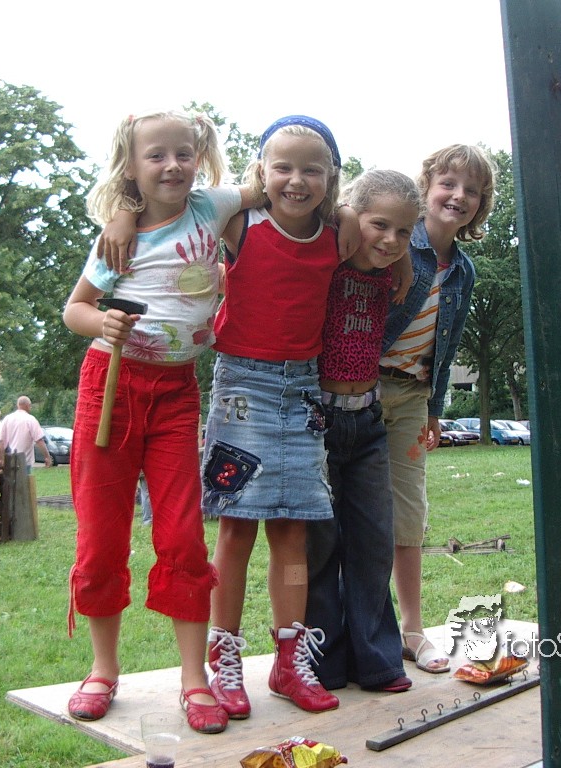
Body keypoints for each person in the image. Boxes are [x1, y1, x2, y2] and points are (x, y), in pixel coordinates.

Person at [62, 109, 263, 736]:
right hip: (112, 387)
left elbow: (265, 186)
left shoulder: (213, 205)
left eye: (184, 153)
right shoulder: (117, 240)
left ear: (198, 157)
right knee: (101, 537)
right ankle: (102, 670)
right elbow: (75, 309)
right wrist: (104, 321)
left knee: (182, 537)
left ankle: (194, 678)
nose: (172, 165)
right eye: (156, 155)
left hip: (177, 392)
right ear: (132, 166)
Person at [202, 115, 345, 719]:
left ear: (331, 177)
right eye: (282, 167)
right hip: (241, 385)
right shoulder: (241, 223)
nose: (296, 180)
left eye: (312, 169)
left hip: (304, 390)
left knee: (293, 530)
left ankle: (289, 661)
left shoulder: (340, 233)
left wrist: (404, 270)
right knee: (236, 527)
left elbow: (391, 236)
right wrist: (124, 218)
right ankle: (224, 657)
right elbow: (183, 207)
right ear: (261, 171)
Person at [378, 144, 496, 673]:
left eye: (472, 191)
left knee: (409, 515)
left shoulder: (463, 271)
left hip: (412, 397)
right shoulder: (397, 243)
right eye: (448, 183)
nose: (458, 196)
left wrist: (434, 409)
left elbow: (445, 346)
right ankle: (355, 628)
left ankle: (412, 630)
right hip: (361, 388)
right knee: (354, 514)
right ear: (426, 187)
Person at [305, 170, 422, 694]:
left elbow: (414, 244)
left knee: (374, 542)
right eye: (380, 225)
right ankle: (324, 664)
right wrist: (351, 216)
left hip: (368, 423)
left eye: (403, 232)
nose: (392, 240)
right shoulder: (326, 256)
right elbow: (324, 211)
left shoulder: (392, 269)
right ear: (355, 217)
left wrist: (402, 257)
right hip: (318, 423)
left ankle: (376, 661)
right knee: (320, 546)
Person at [0, 396, 50, 472]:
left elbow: (1, 441)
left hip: (11, 458)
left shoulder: (7, 419)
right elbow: (39, 440)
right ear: (28, 405)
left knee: (11, 478)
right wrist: (47, 456)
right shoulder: (30, 419)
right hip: (25, 459)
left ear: (18, 405)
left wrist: (1, 458)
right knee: (25, 478)